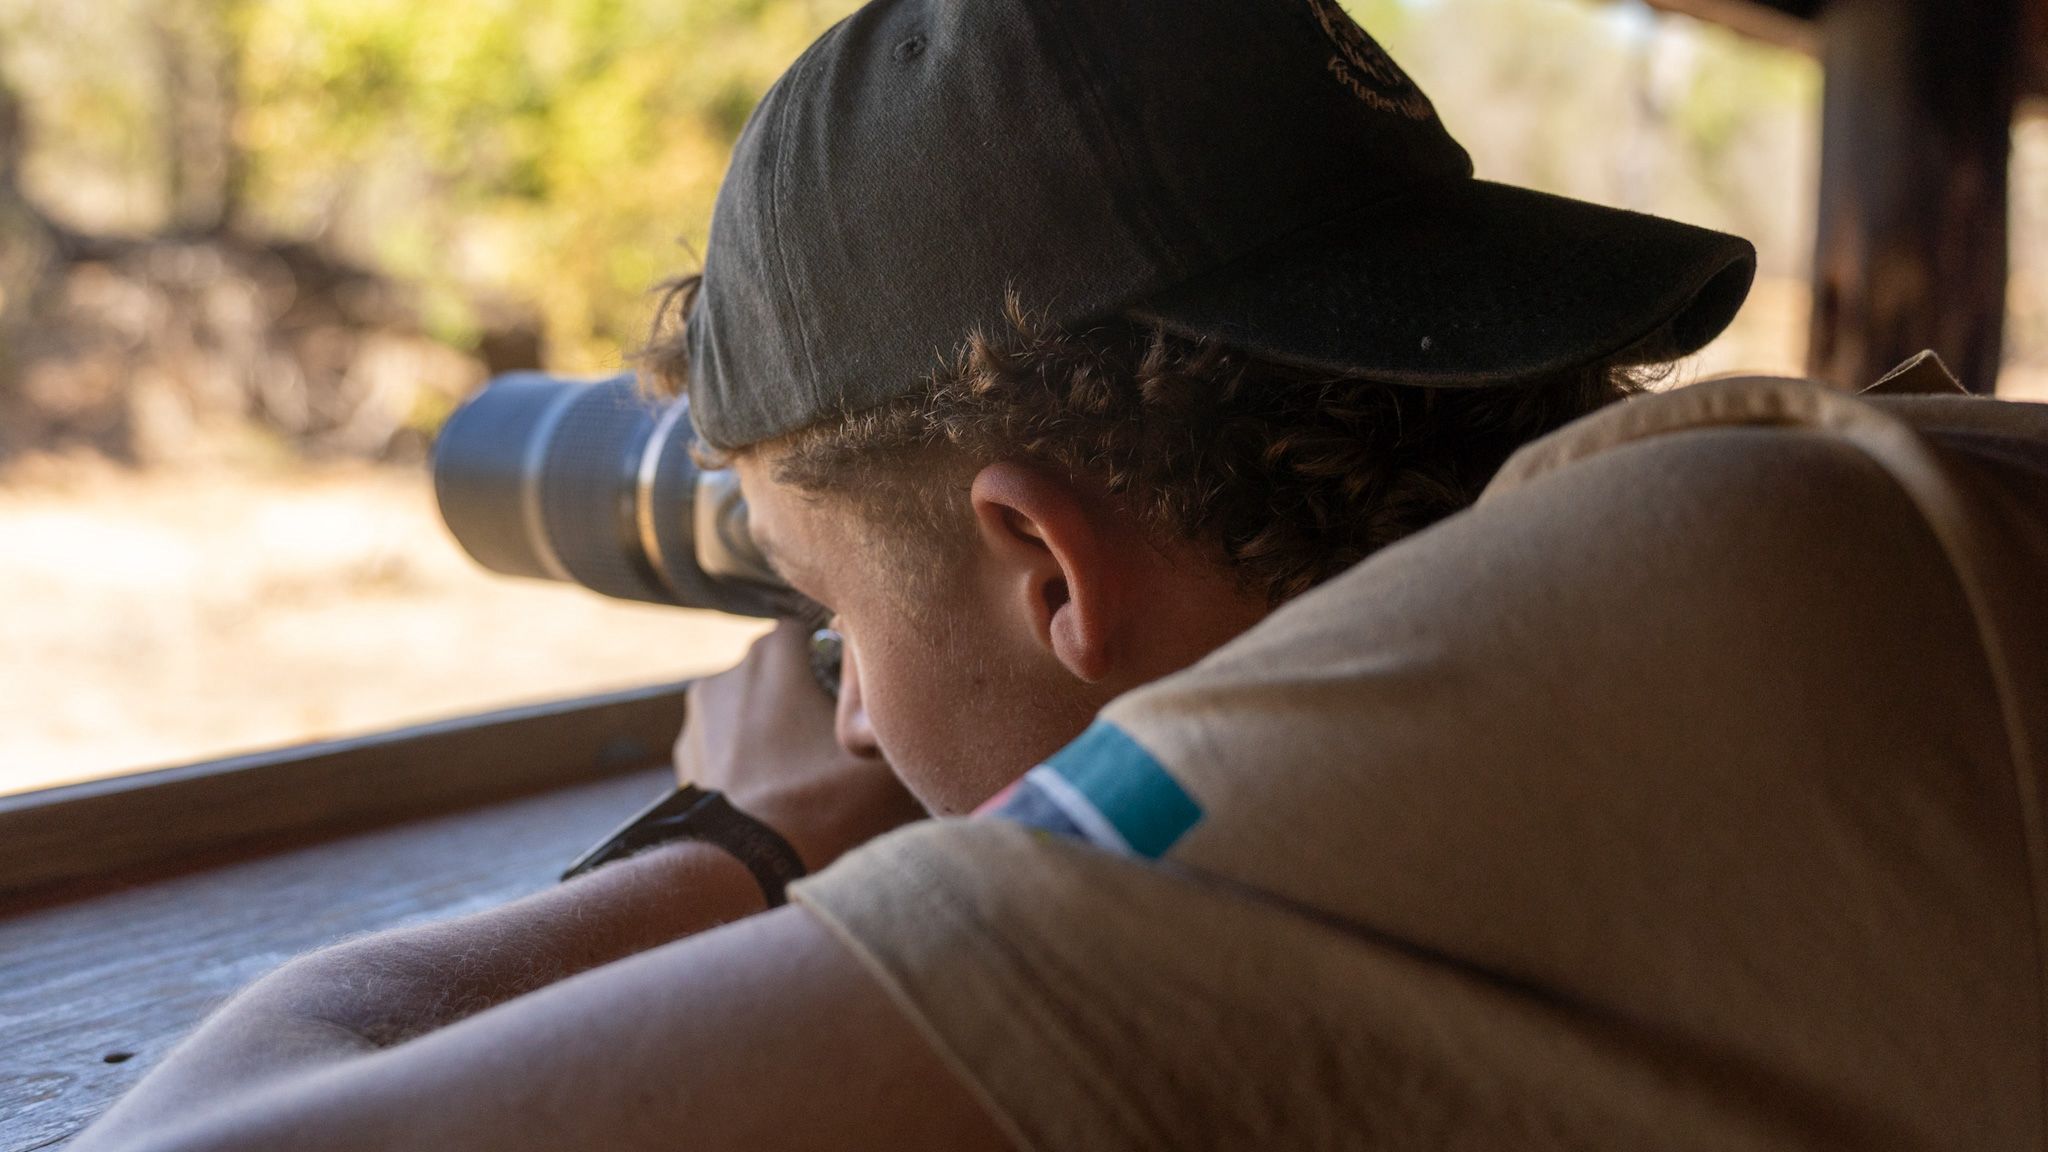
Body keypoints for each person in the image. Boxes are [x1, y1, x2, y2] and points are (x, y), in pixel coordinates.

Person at [70, 2, 2048, 1150]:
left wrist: (740, 828)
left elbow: (188, 1143)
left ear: (1041, 562)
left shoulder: (1368, 775)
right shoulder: (1750, 549)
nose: (838, 688)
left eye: (826, 614)